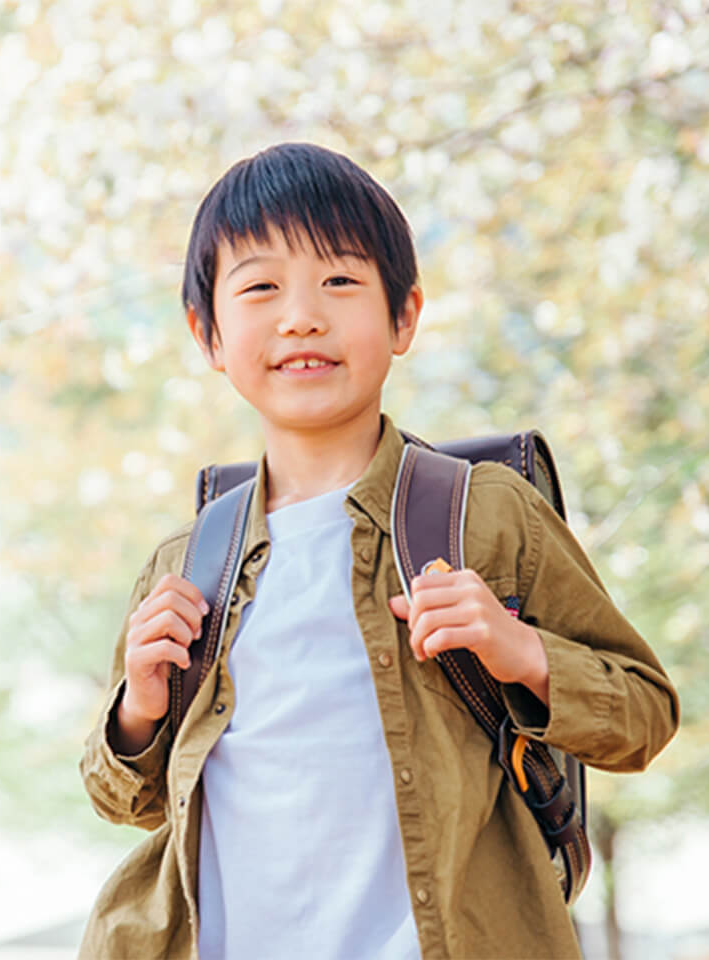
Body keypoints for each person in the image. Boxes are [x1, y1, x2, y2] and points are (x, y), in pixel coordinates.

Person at [78, 142, 678, 960]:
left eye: (340, 280)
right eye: (259, 287)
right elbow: (127, 800)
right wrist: (139, 709)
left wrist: (519, 651)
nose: (301, 316)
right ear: (208, 333)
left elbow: (644, 714)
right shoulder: (189, 561)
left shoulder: (484, 515)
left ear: (404, 316)